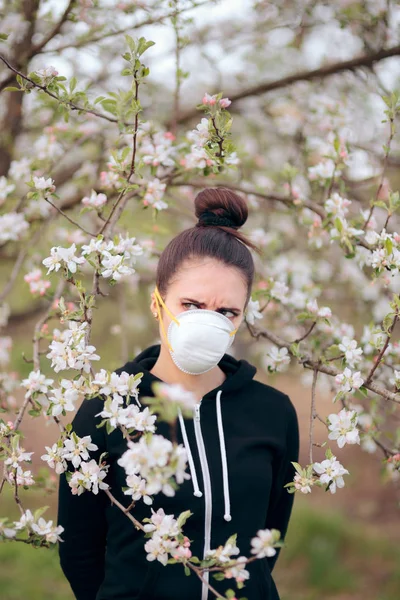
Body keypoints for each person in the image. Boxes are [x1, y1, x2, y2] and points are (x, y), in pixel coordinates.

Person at [57, 187, 300, 600]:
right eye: (191, 304)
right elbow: (78, 549)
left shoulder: (273, 413)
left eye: (227, 312)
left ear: (243, 315)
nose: (209, 322)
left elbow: (269, 538)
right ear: (158, 302)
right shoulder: (108, 407)